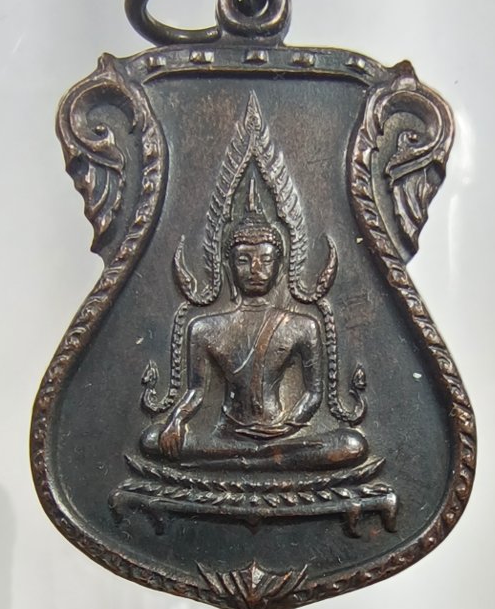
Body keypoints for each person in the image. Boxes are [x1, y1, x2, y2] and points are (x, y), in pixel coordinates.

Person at [140, 190, 368, 471]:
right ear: (228, 266)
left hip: (282, 434)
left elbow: (313, 393)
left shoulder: (302, 325)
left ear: (280, 266)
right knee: (152, 439)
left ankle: (251, 458)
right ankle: (260, 458)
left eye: (266, 260)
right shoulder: (204, 328)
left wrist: (288, 426)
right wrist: (176, 420)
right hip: (226, 435)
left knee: (352, 444)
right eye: (244, 260)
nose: (255, 269)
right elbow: (196, 392)